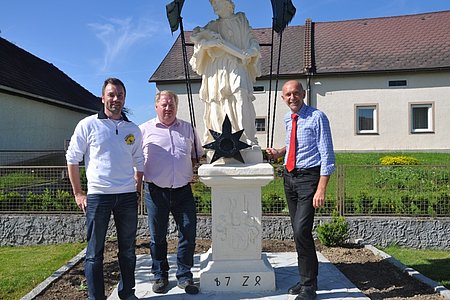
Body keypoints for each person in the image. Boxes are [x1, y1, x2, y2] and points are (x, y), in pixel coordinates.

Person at [66, 77, 144, 300]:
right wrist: (78, 193)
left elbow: (140, 162)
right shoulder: (88, 125)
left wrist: (137, 190)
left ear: (124, 98)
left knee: (128, 251)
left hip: (127, 197)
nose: (115, 99)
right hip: (98, 197)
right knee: (94, 253)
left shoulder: (133, 130)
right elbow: (72, 158)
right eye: (111, 94)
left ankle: (127, 293)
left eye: (119, 95)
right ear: (103, 98)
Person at [266, 80, 335, 300]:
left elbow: (327, 155)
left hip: (308, 180)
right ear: (282, 98)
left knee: (301, 231)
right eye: (288, 94)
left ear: (303, 94)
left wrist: (321, 188)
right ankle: (306, 279)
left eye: (296, 93)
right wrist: (279, 152)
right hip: (289, 178)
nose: (292, 97)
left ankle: (309, 286)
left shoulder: (317, 117)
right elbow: (295, 142)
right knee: (298, 233)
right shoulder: (289, 119)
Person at [139, 90, 204, 295]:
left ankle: (185, 276)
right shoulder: (144, 130)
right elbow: (137, 162)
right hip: (155, 191)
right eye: (164, 105)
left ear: (177, 107)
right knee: (158, 236)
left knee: (188, 233)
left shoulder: (188, 129)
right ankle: (160, 275)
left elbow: (196, 156)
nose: (168, 108)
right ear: (156, 106)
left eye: (172, 105)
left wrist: (182, 170)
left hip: (183, 191)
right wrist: (136, 190)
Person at [189, 0, 261, 146]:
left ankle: (245, 138)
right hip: (217, 69)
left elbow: (253, 41)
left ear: (228, 4)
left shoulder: (241, 21)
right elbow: (199, 42)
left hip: (238, 63)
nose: (215, 7)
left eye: (218, 3)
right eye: (213, 5)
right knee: (218, 100)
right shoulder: (212, 26)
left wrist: (252, 51)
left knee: (240, 95)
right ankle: (222, 141)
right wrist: (209, 44)